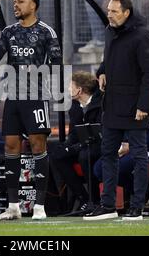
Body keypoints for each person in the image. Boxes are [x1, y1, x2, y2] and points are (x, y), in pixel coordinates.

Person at [83, 0, 149, 221]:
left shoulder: (142, 36)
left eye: (114, 11)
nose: (110, 14)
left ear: (127, 13)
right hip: (113, 106)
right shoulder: (110, 31)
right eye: (109, 10)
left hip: (136, 108)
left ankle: (137, 207)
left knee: (138, 156)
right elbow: (108, 59)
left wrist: (144, 105)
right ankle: (108, 206)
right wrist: (102, 72)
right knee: (107, 154)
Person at [0, 0, 62, 221]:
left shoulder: (46, 31)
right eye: (14, 3)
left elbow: (56, 63)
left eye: (21, 1)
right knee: (11, 145)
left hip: (36, 95)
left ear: (34, 5)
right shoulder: (9, 32)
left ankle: (40, 207)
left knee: (37, 144)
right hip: (12, 96)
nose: (16, 6)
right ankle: (13, 207)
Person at [93, 88, 149, 203]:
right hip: (129, 145)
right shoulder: (129, 96)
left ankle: (140, 196)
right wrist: (122, 143)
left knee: (121, 167)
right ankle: (138, 192)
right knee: (99, 168)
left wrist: (132, 146)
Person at [49, 71, 103, 216]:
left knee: (85, 156)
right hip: (82, 145)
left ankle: (95, 201)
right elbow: (74, 132)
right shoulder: (74, 106)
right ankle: (84, 198)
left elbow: (101, 134)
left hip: (99, 145)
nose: (68, 89)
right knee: (57, 155)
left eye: (70, 86)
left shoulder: (101, 103)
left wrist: (79, 146)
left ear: (80, 90)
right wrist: (67, 146)